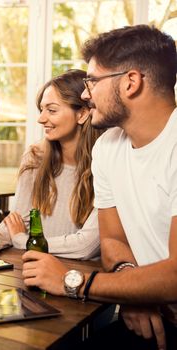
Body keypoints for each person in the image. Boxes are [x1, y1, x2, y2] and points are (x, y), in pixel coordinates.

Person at [21, 25, 177, 350]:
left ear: (130, 82)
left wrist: (70, 281)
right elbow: (112, 241)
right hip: (148, 315)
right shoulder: (107, 146)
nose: (84, 93)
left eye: (92, 81)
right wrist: (130, 288)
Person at [0, 69, 103, 260]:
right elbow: (19, 220)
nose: (41, 119)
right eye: (42, 109)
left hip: (77, 277)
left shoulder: (106, 164)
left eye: (51, 110)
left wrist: (23, 241)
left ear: (83, 114)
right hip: (32, 269)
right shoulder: (35, 157)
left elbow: (86, 246)